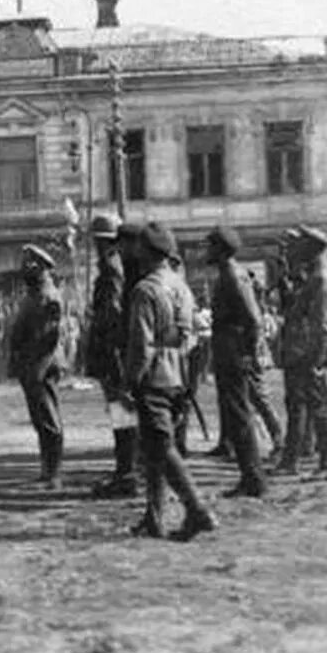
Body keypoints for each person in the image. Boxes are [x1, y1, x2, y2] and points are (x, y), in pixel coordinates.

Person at [126, 222, 217, 540]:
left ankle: (198, 509)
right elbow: (190, 336)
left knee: (161, 447)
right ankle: (155, 517)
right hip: (178, 375)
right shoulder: (182, 287)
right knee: (154, 449)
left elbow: (141, 345)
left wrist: (131, 381)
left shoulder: (145, 290)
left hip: (153, 377)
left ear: (146, 252)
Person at [200, 226, 268, 497]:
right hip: (229, 350)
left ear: (221, 249)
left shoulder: (232, 274)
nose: (207, 251)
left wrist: (248, 354)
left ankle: (253, 479)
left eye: (210, 246)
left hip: (234, 352)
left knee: (240, 416)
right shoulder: (229, 273)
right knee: (236, 414)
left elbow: (253, 319)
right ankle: (250, 476)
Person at [274, 226, 327, 479]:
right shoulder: (321, 275)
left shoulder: (321, 278)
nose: (296, 249)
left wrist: (315, 359)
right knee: (318, 407)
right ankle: (326, 461)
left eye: (301, 245)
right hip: (312, 350)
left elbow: (322, 324)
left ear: (311, 248)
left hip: (315, 352)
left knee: (321, 408)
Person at [88, 216, 140, 498]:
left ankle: (126, 472)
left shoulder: (110, 270)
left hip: (113, 353)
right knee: (123, 414)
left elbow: (112, 314)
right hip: (116, 351)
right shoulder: (115, 267)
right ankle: (126, 469)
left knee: (122, 413)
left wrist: (111, 353)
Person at [8, 244, 66, 489]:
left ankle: (53, 475)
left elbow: (48, 340)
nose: (25, 267)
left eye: (30, 263)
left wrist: (36, 372)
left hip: (42, 366)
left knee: (49, 419)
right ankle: (46, 471)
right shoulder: (34, 294)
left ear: (42, 268)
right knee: (40, 419)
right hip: (31, 366)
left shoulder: (48, 296)